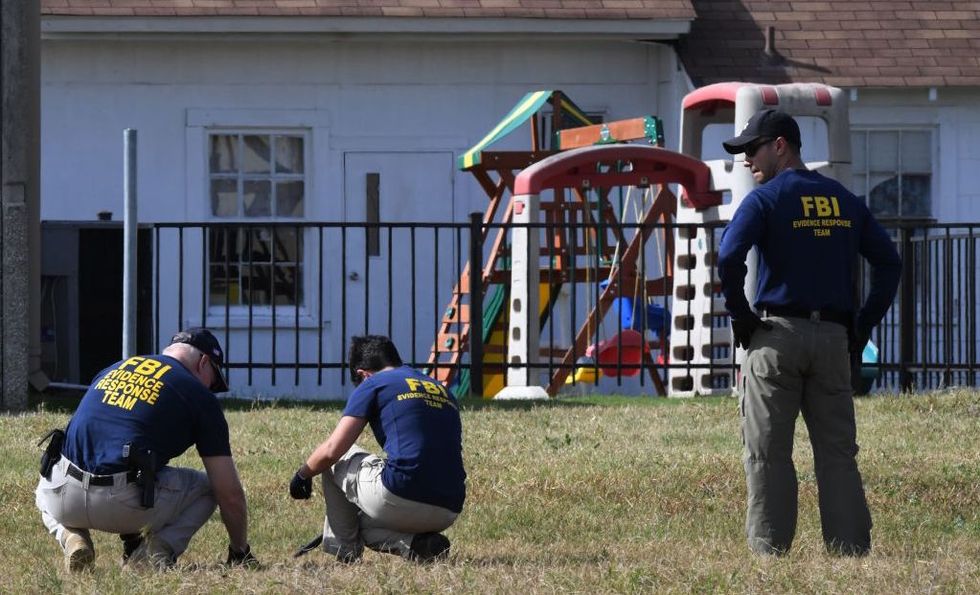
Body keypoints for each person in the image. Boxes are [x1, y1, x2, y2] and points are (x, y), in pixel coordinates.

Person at [716, 109, 901, 556]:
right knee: (837, 454)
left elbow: (728, 258)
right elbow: (890, 264)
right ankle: (850, 552)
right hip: (834, 340)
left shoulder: (765, 200)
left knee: (767, 452)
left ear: (780, 145)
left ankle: (769, 554)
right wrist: (862, 324)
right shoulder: (846, 202)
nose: (746, 160)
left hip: (776, 337)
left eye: (751, 149)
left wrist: (742, 318)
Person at [35, 328, 257, 571]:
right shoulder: (198, 396)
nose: (210, 389)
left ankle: (70, 536)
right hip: (124, 504)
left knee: (44, 484)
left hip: (64, 496)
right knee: (209, 488)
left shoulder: (115, 368)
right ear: (204, 362)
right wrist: (240, 551)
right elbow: (229, 493)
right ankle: (153, 554)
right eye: (213, 382)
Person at [289, 335, 466, 563]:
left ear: (363, 374)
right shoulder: (440, 388)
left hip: (401, 493)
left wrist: (302, 475)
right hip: (448, 507)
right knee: (360, 526)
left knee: (338, 458)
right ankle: (420, 545)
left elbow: (332, 449)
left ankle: (345, 552)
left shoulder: (374, 383)